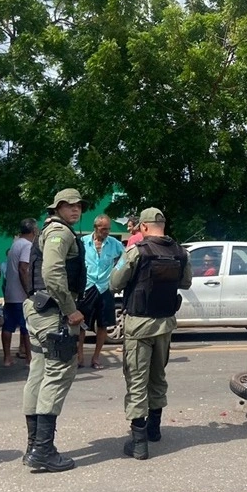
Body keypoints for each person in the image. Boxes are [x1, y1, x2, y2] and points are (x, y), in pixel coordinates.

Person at [110, 207, 192, 460]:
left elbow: (115, 282)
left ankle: (139, 443)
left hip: (139, 324)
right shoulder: (181, 253)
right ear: (163, 225)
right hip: (165, 324)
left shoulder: (137, 251)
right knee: (158, 376)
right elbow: (186, 283)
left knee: (136, 381)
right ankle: (154, 431)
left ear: (143, 227)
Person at [21, 188, 87, 473]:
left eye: (78, 206)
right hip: (54, 313)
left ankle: (34, 446)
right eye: (68, 205)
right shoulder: (60, 233)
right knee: (58, 372)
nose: (75, 210)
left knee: (38, 371)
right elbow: (52, 273)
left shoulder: (47, 230)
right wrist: (70, 308)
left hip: (39, 309)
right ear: (57, 207)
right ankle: (43, 451)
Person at [77, 214, 125, 370]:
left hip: (105, 288)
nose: (106, 232)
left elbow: (126, 258)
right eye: (103, 229)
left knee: (103, 324)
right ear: (96, 228)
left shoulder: (114, 244)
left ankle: (96, 357)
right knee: (82, 324)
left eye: (108, 229)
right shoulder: (83, 242)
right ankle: (79, 356)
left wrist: (116, 272)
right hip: (88, 286)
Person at [2, 218, 37, 367]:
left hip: (10, 293)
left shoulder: (15, 244)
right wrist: (28, 291)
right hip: (20, 295)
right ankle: (30, 358)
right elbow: (24, 268)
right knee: (26, 328)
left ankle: (7, 358)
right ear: (33, 230)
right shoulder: (27, 246)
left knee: (8, 326)